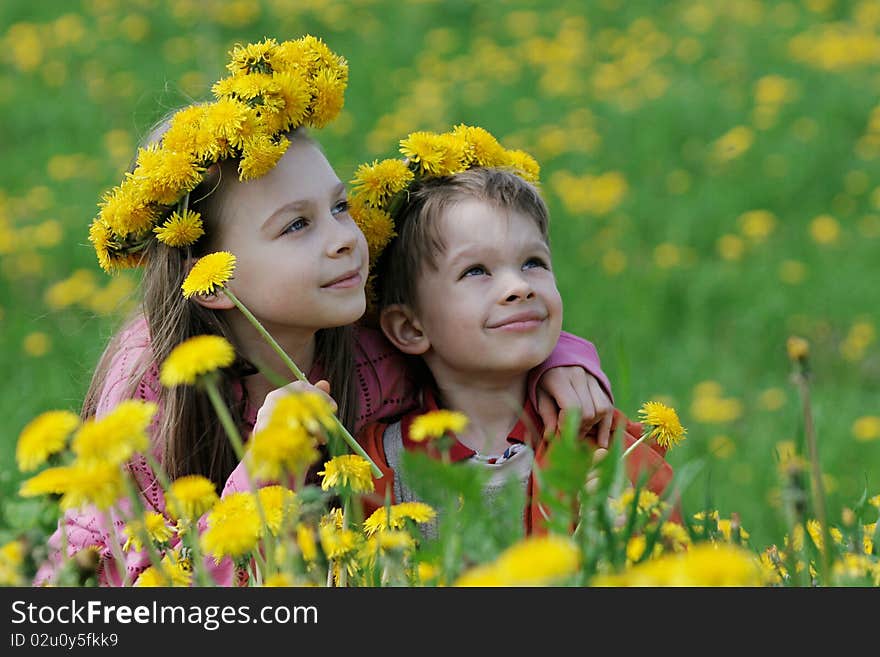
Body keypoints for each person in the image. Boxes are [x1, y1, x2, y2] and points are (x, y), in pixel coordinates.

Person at [34, 38, 614, 586]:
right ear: (209, 280)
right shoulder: (148, 398)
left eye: (339, 207)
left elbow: (469, 323)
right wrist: (270, 467)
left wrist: (560, 360)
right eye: (297, 225)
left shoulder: (364, 344)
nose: (343, 238)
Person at [352, 126, 676, 535]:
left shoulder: (605, 442)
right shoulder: (380, 465)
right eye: (476, 271)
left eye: (533, 263)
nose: (519, 287)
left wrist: (632, 534)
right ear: (410, 328)